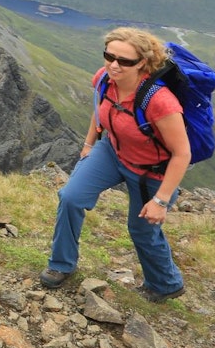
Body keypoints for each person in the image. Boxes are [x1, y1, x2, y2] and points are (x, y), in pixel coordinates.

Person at [40, 27, 189, 302]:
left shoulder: (160, 101)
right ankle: (61, 265)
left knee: (142, 230)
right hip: (112, 151)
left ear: (143, 63)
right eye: (109, 56)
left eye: (125, 61)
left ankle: (166, 284)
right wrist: (88, 145)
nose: (114, 65)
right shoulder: (103, 79)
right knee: (71, 197)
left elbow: (182, 153)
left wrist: (161, 200)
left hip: (151, 172)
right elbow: (99, 113)